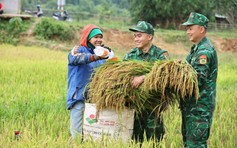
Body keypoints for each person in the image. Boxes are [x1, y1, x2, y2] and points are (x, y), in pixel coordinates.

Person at [123, 21, 170, 144]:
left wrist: (144, 77)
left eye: (139, 36)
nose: (136, 39)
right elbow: (122, 76)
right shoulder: (130, 55)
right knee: (134, 142)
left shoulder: (161, 55)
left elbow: (166, 74)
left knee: (155, 142)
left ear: (149, 37)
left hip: (153, 108)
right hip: (134, 108)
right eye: (135, 36)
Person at [180, 12, 218, 147]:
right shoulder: (196, 49)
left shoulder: (204, 51)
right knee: (189, 143)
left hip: (199, 109)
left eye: (191, 28)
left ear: (201, 29)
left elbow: (196, 80)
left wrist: (174, 78)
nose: (187, 32)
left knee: (195, 144)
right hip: (191, 107)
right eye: (187, 28)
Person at [67, 24, 110, 139]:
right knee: (76, 133)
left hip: (94, 98)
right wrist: (95, 56)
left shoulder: (101, 55)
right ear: (88, 37)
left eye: (100, 37)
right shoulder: (78, 50)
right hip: (79, 96)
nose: (99, 40)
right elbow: (74, 58)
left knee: (90, 131)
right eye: (96, 37)